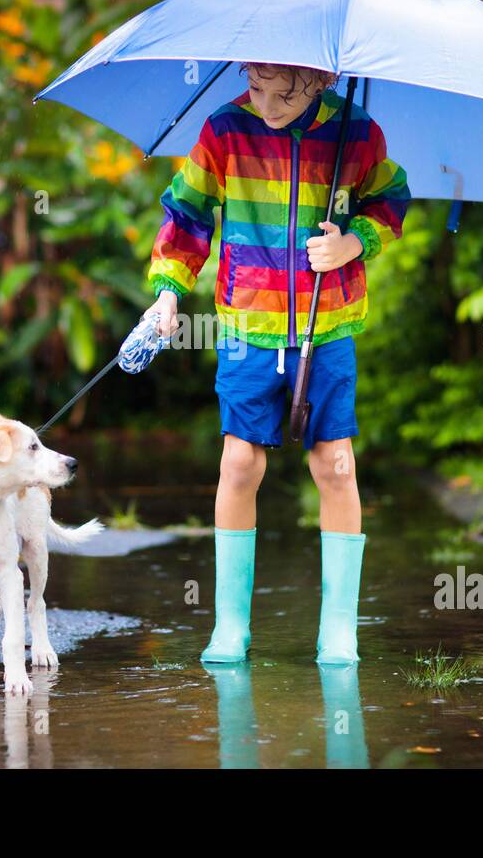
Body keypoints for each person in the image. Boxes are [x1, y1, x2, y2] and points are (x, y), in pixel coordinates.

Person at [144, 61, 411, 665]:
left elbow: (392, 200)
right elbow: (185, 215)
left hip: (328, 325)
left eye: (284, 92)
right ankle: (230, 627)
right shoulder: (225, 130)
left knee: (336, 465)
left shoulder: (357, 134)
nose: (266, 103)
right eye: (256, 87)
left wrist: (351, 243)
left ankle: (339, 629)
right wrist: (168, 289)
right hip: (247, 325)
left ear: (321, 82)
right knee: (239, 462)